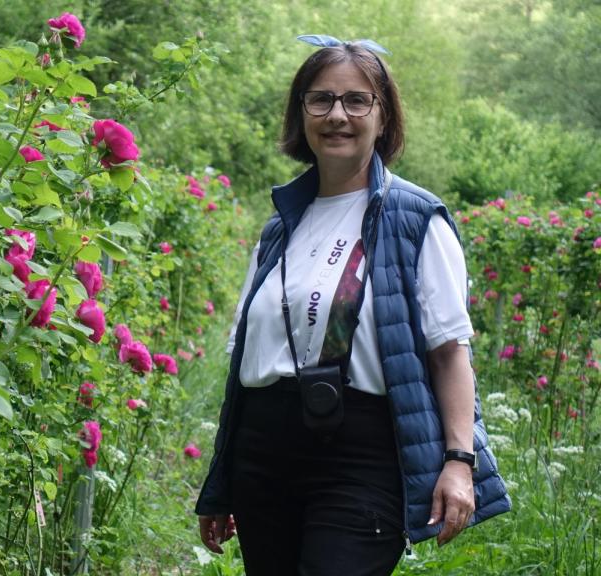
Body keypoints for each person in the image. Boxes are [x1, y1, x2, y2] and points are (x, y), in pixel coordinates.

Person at [194, 35, 510, 575]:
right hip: (263, 456)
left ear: (383, 118)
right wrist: (221, 480)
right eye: (320, 99)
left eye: (356, 100)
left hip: (361, 458)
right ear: (302, 114)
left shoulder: (416, 220)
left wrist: (459, 462)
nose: (337, 114)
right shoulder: (279, 227)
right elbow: (247, 368)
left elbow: (448, 352)